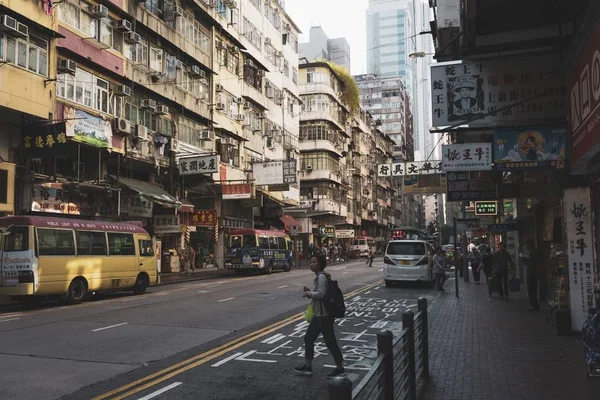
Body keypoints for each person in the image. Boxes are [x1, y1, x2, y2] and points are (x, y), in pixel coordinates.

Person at [293, 255, 346, 379]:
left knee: (330, 342)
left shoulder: (321, 277)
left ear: (320, 264)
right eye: (311, 261)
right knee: (309, 338)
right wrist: (310, 291)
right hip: (319, 315)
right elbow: (322, 293)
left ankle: (340, 368)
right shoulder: (320, 277)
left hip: (324, 316)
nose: (311, 264)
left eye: (314, 262)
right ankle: (308, 366)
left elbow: (321, 294)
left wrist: (309, 294)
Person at [522, 239, 540, 311]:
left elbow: (530, 264)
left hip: (532, 273)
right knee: (532, 290)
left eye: (527, 245)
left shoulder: (533, 253)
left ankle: (534, 306)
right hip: (533, 273)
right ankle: (534, 305)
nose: (526, 247)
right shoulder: (533, 252)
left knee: (531, 290)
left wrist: (524, 260)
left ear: (529, 245)